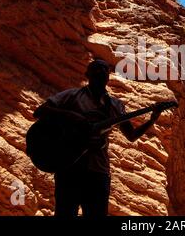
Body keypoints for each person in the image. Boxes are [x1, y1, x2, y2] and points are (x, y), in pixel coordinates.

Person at [33, 59, 162, 217]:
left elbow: (131, 135)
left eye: (104, 69)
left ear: (108, 77)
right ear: (87, 75)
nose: (100, 71)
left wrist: (152, 119)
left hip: (97, 171)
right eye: (96, 69)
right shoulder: (72, 96)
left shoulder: (114, 105)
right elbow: (40, 111)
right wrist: (73, 117)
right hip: (70, 168)